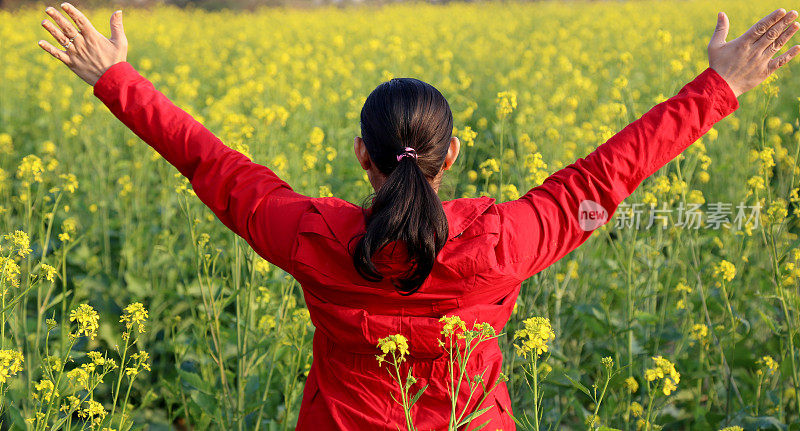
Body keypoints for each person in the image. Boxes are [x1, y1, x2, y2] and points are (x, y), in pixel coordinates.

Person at [37, 3, 799, 429]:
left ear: (362, 157)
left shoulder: (316, 237)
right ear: (454, 154)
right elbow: (605, 176)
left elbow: (210, 163)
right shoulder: (501, 244)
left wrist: (113, 77)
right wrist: (719, 86)